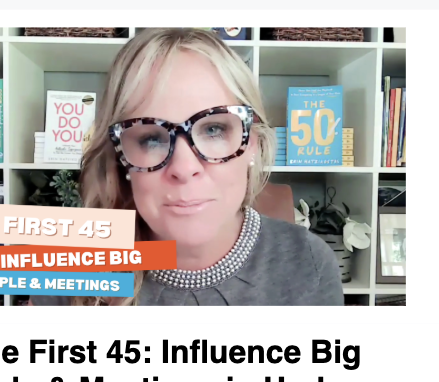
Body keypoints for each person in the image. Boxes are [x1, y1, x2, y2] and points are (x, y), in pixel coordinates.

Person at [32, 27, 343, 307]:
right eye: (151, 138)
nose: (184, 168)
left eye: (213, 130)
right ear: (120, 156)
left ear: (253, 144)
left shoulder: (308, 263)